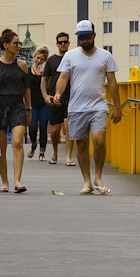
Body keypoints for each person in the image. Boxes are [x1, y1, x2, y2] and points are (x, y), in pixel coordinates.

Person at [53, 19, 122, 196]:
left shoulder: (105, 56)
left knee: (99, 140)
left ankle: (98, 176)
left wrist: (117, 107)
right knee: (82, 145)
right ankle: (87, 182)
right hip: (76, 107)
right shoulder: (70, 56)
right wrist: (58, 93)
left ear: (94, 36)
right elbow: (63, 78)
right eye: (81, 37)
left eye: (88, 37)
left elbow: (112, 82)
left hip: (98, 106)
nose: (85, 40)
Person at [0, 29, 34, 193]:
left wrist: (29, 109)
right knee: (1, 147)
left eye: (19, 43)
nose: (18, 46)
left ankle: (18, 181)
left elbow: (27, 89)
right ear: (5, 45)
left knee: (17, 142)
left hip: (17, 106)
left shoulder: (22, 65)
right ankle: (5, 181)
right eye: (15, 43)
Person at [42, 31, 72, 167]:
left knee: (69, 127)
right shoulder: (51, 60)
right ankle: (54, 152)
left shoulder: (73, 58)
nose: (63, 44)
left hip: (71, 97)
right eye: (60, 42)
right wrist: (46, 95)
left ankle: (68, 156)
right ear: (57, 44)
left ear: (69, 43)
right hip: (55, 98)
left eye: (65, 42)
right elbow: (44, 80)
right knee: (54, 130)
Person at [28, 45, 51, 160]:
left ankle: (42, 152)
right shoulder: (28, 71)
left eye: (42, 59)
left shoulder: (45, 72)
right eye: (38, 58)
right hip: (32, 103)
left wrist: (45, 77)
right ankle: (33, 144)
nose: (39, 61)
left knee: (43, 126)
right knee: (32, 127)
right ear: (34, 57)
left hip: (43, 103)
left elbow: (49, 86)